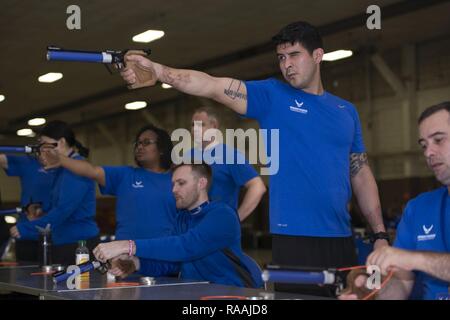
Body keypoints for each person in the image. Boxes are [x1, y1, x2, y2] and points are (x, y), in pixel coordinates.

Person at [119, 21, 388, 296]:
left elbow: (360, 173)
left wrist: (379, 235)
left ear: (317, 55)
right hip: (295, 240)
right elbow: (211, 86)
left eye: (294, 55)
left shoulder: (346, 111)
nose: (287, 65)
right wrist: (159, 71)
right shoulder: (273, 96)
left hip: (343, 238)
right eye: (281, 58)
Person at [340, 102, 450, 300]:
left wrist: (411, 258)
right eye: (424, 145)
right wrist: (371, 293)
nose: (428, 153)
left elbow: (408, 261)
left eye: (439, 140)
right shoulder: (418, 209)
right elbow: (401, 283)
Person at [92, 163, 264, 288]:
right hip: (194, 293)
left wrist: (127, 246)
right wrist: (136, 264)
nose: (174, 189)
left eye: (181, 183)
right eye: (173, 184)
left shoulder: (222, 215)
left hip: (230, 293)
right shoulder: (182, 218)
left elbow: (185, 247)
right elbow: (173, 262)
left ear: (201, 184)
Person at [41, 124, 177, 241]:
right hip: (125, 258)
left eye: (146, 142)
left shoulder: (177, 180)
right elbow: (91, 170)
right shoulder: (125, 175)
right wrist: (62, 160)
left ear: (162, 149)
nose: (140, 147)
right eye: (138, 143)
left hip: (163, 256)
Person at [9, 121, 99, 266]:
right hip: (65, 242)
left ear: (61, 142)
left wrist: (27, 228)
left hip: (78, 245)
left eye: (45, 145)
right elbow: (60, 209)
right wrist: (40, 216)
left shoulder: (76, 169)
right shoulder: (62, 170)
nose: (41, 151)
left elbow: (63, 211)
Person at [187, 106, 266, 221]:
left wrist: (235, 219)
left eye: (200, 125)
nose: (194, 129)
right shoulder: (187, 156)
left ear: (214, 126)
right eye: (193, 125)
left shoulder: (229, 155)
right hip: (191, 229)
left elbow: (258, 187)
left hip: (219, 228)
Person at [1, 142, 56, 262]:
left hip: (56, 236)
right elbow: (3, 159)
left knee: (54, 277)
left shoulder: (67, 168)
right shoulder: (29, 162)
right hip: (26, 235)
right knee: (24, 277)